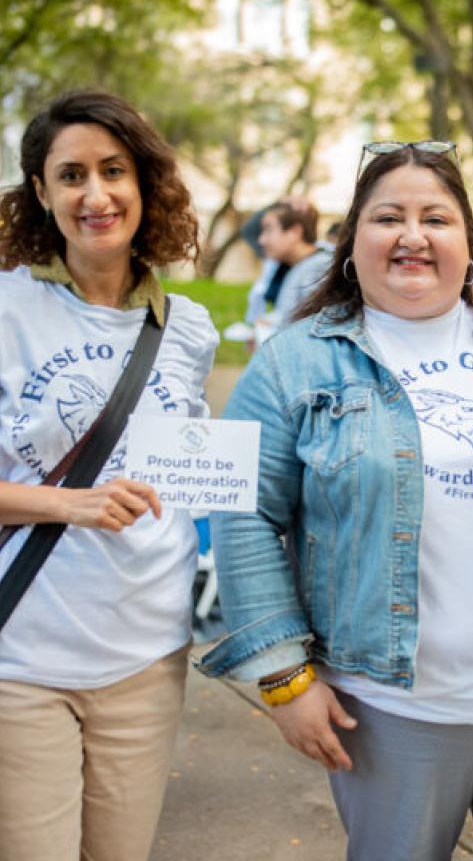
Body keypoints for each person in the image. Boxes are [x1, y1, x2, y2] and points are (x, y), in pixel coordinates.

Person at [200, 141, 473, 860]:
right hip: (397, 709)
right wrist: (283, 677)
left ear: (468, 240)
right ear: (352, 245)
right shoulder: (296, 359)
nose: (412, 235)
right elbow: (243, 511)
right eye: (388, 218)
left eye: (435, 217)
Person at [0, 90, 218, 860]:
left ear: (143, 183)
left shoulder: (187, 326)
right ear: (41, 192)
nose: (96, 195)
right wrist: (73, 505)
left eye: (113, 170)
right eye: (71, 175)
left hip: (149, 654)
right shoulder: (6, 310)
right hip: (24, 655)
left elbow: (186, 468)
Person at [257, 196, 333, 327]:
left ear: (295, 232)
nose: (261, 240)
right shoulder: (298, 265)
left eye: (268, 229)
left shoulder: (318, 267)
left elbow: (316, 328)